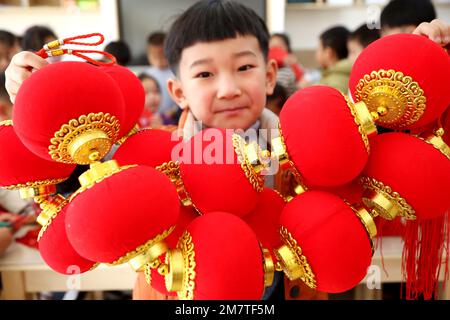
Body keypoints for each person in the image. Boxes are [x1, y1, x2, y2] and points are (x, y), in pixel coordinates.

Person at [3, 0, 450, 300]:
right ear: (176, 89)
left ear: (271, 74)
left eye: (244, 67)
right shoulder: (149, 156)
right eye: (204, 75)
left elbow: (390, 159)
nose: (230, 88)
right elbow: (78, 186)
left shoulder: (323, 141)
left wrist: (422, 59)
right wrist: (37, 97)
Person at [145, 32, 179, 125]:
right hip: (150, 118)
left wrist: (173, 111)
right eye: (155, 57)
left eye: (163, 57)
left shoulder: (176, 72)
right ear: (148, 55)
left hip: (172, 116)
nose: (159, 61)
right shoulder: (147, 74)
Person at [316, 25, 352, 93]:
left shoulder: (335, 83)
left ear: (328, 53)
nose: (316, 53)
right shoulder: (335, 75)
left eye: (318, 49)